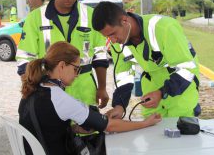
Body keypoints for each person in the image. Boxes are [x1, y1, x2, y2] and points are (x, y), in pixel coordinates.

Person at [19, 41, 161, 155]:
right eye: (76, 69)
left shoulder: (32, 89)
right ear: (62, 66)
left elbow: (45, 125)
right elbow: (110, 126)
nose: (77, 75)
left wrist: (74, 129)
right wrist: (145, 123)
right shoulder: (59, 97)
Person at [16, 0, 109, 108]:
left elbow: (100, 56)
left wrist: (102, 88)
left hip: (84, 91)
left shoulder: (90, 15)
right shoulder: (35, 19)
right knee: (54, 130)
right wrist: (30, 91)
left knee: (88, 128)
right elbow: (24, 59)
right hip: (50, 92)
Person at [92, 1, 201, 118]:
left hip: (180, 86)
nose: (112, 41)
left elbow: (188, 68)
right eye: (107, 37)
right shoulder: (118, 42)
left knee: (181, 129)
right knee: (152, 130)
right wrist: (120, 106)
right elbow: (123, 74)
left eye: (113, 34)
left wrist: (161, 92)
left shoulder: (164, 28)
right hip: (151, 86)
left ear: (124, 21)